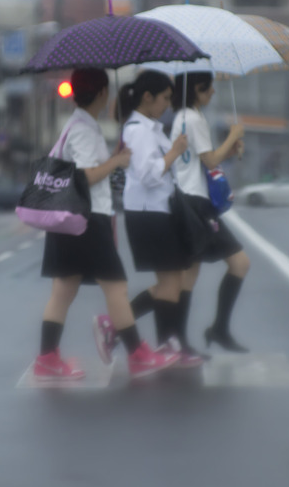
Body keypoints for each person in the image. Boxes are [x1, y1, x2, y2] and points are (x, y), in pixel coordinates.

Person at [33, 68, 179, 381]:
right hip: (87, 219)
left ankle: (47, 358)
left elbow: (88, 168)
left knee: (63, 290)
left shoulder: (78, 125)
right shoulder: (84, 129)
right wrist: (113, 162)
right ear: (102, 93)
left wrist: (112, 158)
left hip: (69, 220)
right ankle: (137, 354)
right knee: (116, 286)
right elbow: (84, 176)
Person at [96, 70, 202, 368]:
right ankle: (167, 343)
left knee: (173, 280)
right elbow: (147, 174)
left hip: (159, 211)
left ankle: (117, 327)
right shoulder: (137, 130)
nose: (168, 105)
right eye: (165, 99)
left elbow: (164, 168)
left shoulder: (152, 128)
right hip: (147, 213)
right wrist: (174, 153)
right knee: (170, 281)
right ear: (147, 97)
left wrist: (177, 151)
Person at [167, 72, 251, 354]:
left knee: (189, 275)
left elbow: (201, 160)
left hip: (187, 199)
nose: (213, 92)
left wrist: (228, 149)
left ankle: (193, 337)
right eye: (209, 88)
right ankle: (215, 330)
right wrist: (233, 136)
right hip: (196, 203)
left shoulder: (182, 116)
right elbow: (211, 159)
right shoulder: (193, 118)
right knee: (237, 264)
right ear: (198, 90)